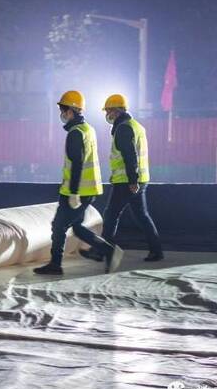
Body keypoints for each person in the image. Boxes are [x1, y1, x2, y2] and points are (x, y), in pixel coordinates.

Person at [33, 90, 123, 275]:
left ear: (71, 111)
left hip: (77, 191)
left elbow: (77, 164)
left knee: (58, 226)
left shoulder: (75, 133)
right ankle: (107, 251)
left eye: (63, 110)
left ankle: (56, 264)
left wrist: (73, 192)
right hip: (89, 189)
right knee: (75, 226)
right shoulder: (88, 129)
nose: (62, 114)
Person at [80, 94, 163, 262]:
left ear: (115, 111)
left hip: (127, 182)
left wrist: (132, 180)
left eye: (108, 111)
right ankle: (156, 251)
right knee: (142, 216)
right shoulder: (136, 126)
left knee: (110, 215)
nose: (107, 115)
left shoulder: (123, 128)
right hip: (139, 179)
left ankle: (102, 252)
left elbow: (130, 156)